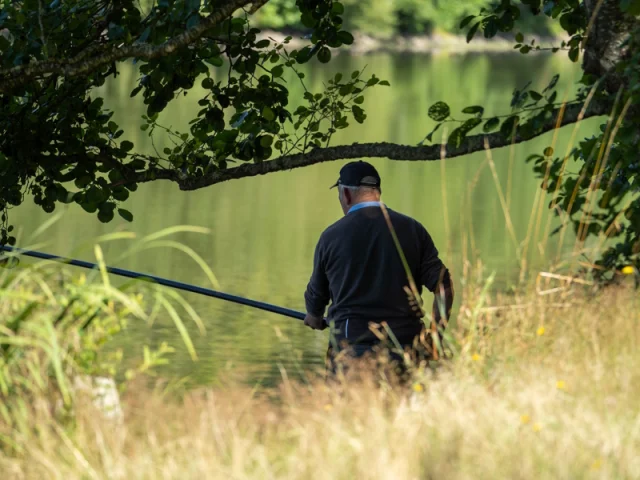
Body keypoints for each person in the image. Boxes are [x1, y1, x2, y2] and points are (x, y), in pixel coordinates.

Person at [303, 160, 454, 376]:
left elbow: (316, 297)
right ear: (377, 192)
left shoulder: (331, 236)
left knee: (349, 410)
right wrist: (435, 337)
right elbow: (443, 286)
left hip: (350, 351)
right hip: (406, 348)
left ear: (346, 194)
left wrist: (314, 315)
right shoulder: (413, 230)